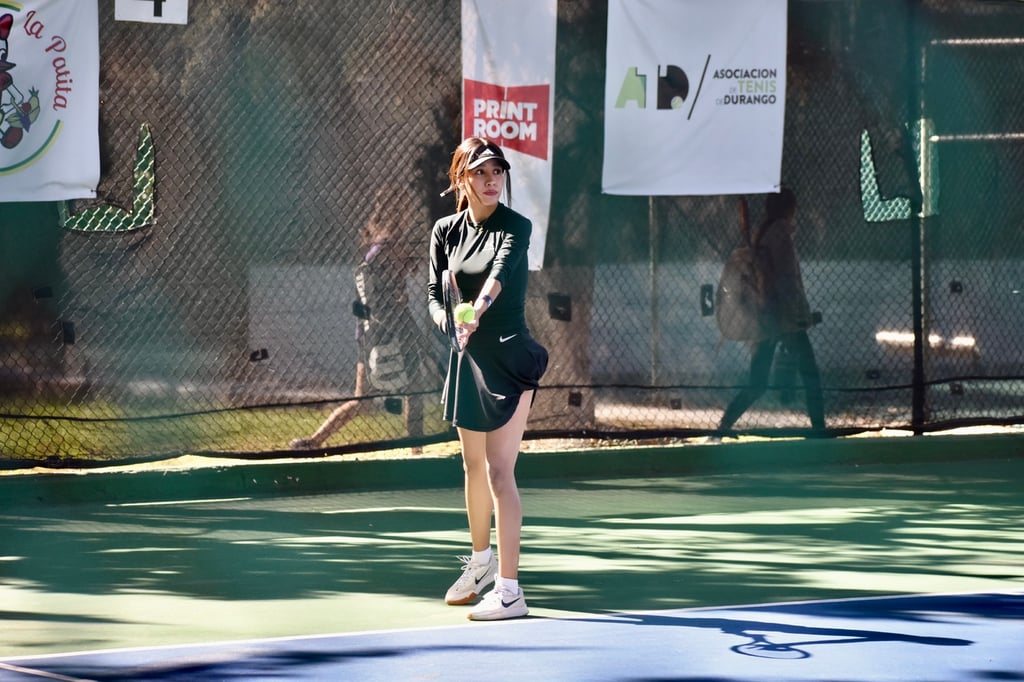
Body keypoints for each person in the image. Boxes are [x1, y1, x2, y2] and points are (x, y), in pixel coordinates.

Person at [427, 137, 548, 621]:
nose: (492, 178)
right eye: (480, 171)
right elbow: (436, 294)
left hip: (509, 356)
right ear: (462, 179)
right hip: (466, 357)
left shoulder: (515, 225)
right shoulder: (444, 231)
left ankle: (511, 591)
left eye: (497, 170)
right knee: (472, 467)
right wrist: (448, 322)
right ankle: (480, 563)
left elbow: (499, 274)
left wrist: (476, 310)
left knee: (501, 471)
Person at [290, 186, 435, 452]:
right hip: (386, 330)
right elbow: (391, 292)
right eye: (404, 212)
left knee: (378, 397)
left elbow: (401, 277)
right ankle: (315, 442)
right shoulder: (383, 251)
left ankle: (316, 441)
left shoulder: (382, 249)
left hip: (375, 331)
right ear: (394, 217)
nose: (410, 218)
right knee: (403, 391)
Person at [717, 187, 825, 436]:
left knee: (758, 382)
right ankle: (820, 429)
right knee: (810, 375)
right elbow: (787, 281)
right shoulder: (781, 236)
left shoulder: (762, 234)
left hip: (765, 318)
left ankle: (724, 425)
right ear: (790, 209)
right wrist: (801, 316)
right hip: (785, 319)